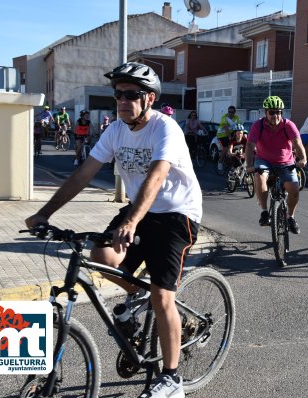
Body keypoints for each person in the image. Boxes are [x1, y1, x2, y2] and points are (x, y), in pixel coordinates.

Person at [25, 61, 202, 398]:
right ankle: (138, 294)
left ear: (149, 98)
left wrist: (132, 220)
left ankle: (172, 379)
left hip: (176, 213)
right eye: (117, 94)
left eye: (131, 94)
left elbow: (157, 176)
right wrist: (43, 214)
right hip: (139, 210)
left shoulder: (166, 129)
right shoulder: (115, 131)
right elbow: (82, 175)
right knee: (100, 254)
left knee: (164, 296)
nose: (122, 100)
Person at [246, 96, 307, 234]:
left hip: (286, 162)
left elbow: (298, 144)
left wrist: (303, 158)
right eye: (272, 112)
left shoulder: (288, 125)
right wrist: (249, 164)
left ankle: (290, 217)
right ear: (265, 113)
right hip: (264, 160)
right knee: (260, 176)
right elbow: (250, 146)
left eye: (279, 112)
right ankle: (264, 212)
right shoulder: (258, 126)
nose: (276, 115)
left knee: (294, 190)